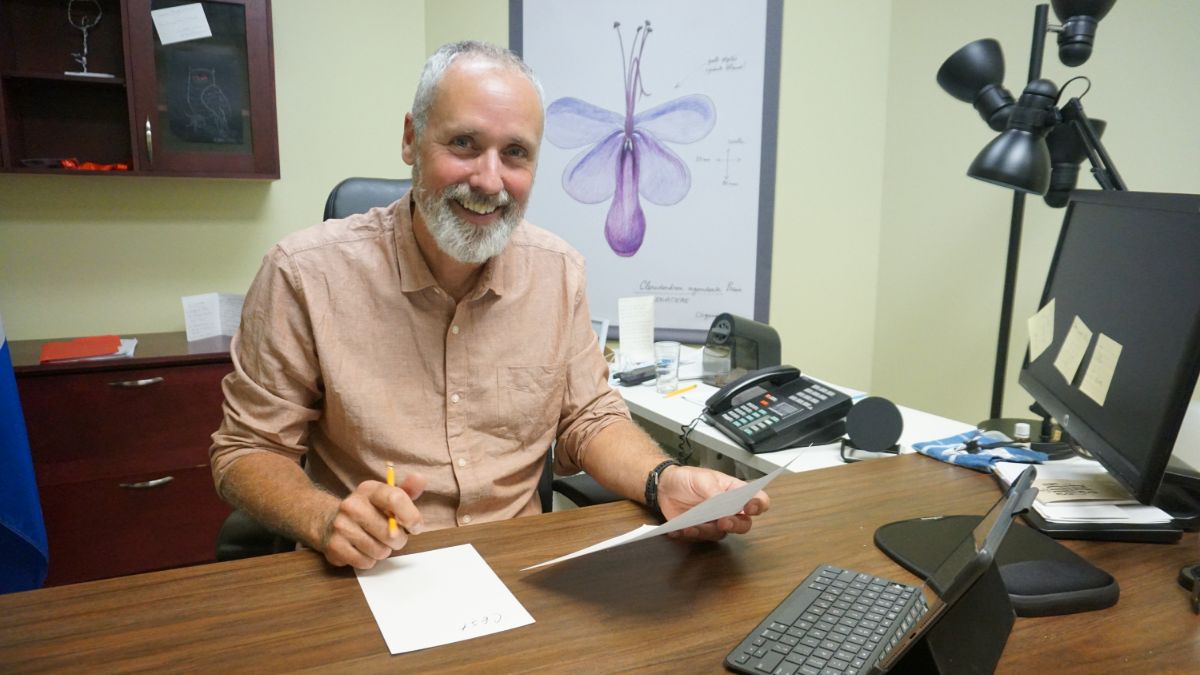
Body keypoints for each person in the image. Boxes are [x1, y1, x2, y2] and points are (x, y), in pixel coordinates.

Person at [209, 41, 769, 570]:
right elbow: (246, 451)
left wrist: (663, 480)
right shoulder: (304, 274)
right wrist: (325, 517)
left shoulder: (557, 272)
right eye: (464, 144)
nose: (489, 180)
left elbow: (589, 418)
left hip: (517, 573)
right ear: (410, 138)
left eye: (516, 153)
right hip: (371, 572)